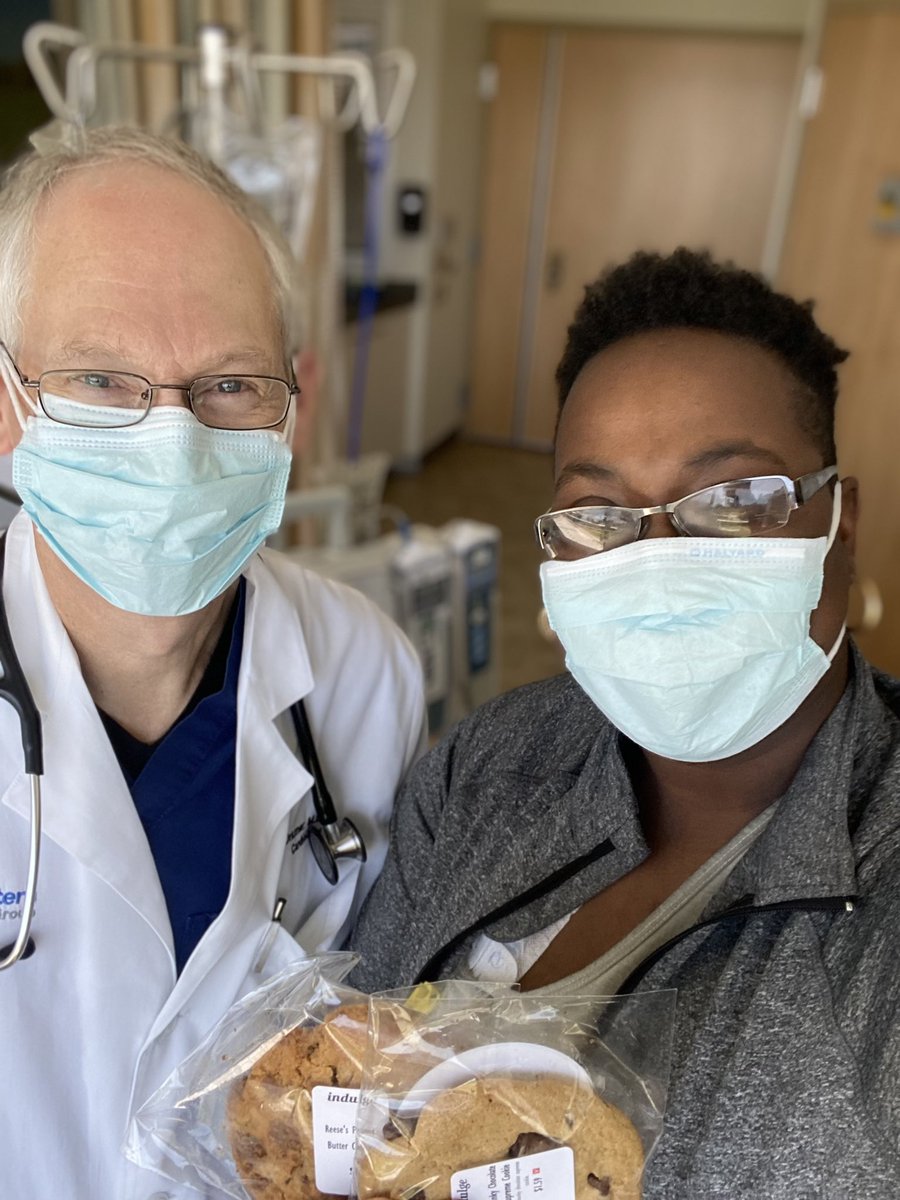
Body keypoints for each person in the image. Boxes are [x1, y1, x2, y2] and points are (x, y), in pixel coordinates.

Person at [351, 249, 900, 1197]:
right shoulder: (488, 764)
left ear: (838, 524)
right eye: (597, 512)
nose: (656, 560)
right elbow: (357, 1070)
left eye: (733, 500)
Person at [0, 127, 425, 1197]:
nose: (175, 442)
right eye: (103, 378)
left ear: (298, 406)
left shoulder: (365, 675)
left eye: (230, 385)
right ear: (7, 406)